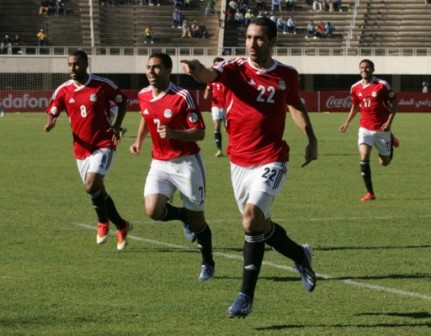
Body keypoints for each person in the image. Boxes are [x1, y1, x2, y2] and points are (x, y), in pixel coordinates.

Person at [181, 17, 318, 317]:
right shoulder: (235, 68)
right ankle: (299, 254)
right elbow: (210, 74)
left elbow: (295, 105)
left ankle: (245, 296)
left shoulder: (286, 75)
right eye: (248, 37)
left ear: (272, 42)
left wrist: (311, 138)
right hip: (239, 161)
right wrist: (196, 68)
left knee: (251, 218)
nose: (252, 44)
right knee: (259, 225)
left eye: (258, 39)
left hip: (272, 157)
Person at [129, 53, 215, 281]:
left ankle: (208, 262)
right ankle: (183, 216)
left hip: (187, 163)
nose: (151, 72)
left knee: (199, 222)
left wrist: (175, 133)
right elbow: (145, 116)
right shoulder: (143, 94)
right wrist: (139, 140)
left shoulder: (182, 96)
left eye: (157, 68)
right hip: (159, 162)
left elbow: (201, 132)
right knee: (152, 211)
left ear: (168, 70)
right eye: (148, 67)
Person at [44, 50, 132, 251]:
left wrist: (117, 126)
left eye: (76, 64)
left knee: (91, 186)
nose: (72, 69)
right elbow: (54, 109)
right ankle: (122, 225)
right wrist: (50, 122)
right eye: (69, 65)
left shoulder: (101, 84)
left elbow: (122, 100)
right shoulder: (63, 90)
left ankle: (102, 222)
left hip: (104, 143)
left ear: (85, 65)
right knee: (97, 191)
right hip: (81, 149)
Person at [339, 59, 399, 202]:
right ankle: (370, 193)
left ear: (373, 69)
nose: (364, 70)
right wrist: (347, 123)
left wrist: (388, 122)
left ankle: (390, 141)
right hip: (364, 128)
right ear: (359, 70)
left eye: (367, 67)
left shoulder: (382, 85)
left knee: (384, 162)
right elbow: (355, 106)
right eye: (361, 67)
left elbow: (395, 102)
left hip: (381, 129)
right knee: (364, 155)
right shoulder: (355, 88)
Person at [203, 57, 227, 157]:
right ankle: (219, 150)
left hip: (227, 106)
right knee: (216, 126)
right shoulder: (211, 79)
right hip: (216, 106)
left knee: (228, 129)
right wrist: (206, 94)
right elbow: (207, 90)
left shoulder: (226, 77)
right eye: (215, 64)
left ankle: (233, 147)